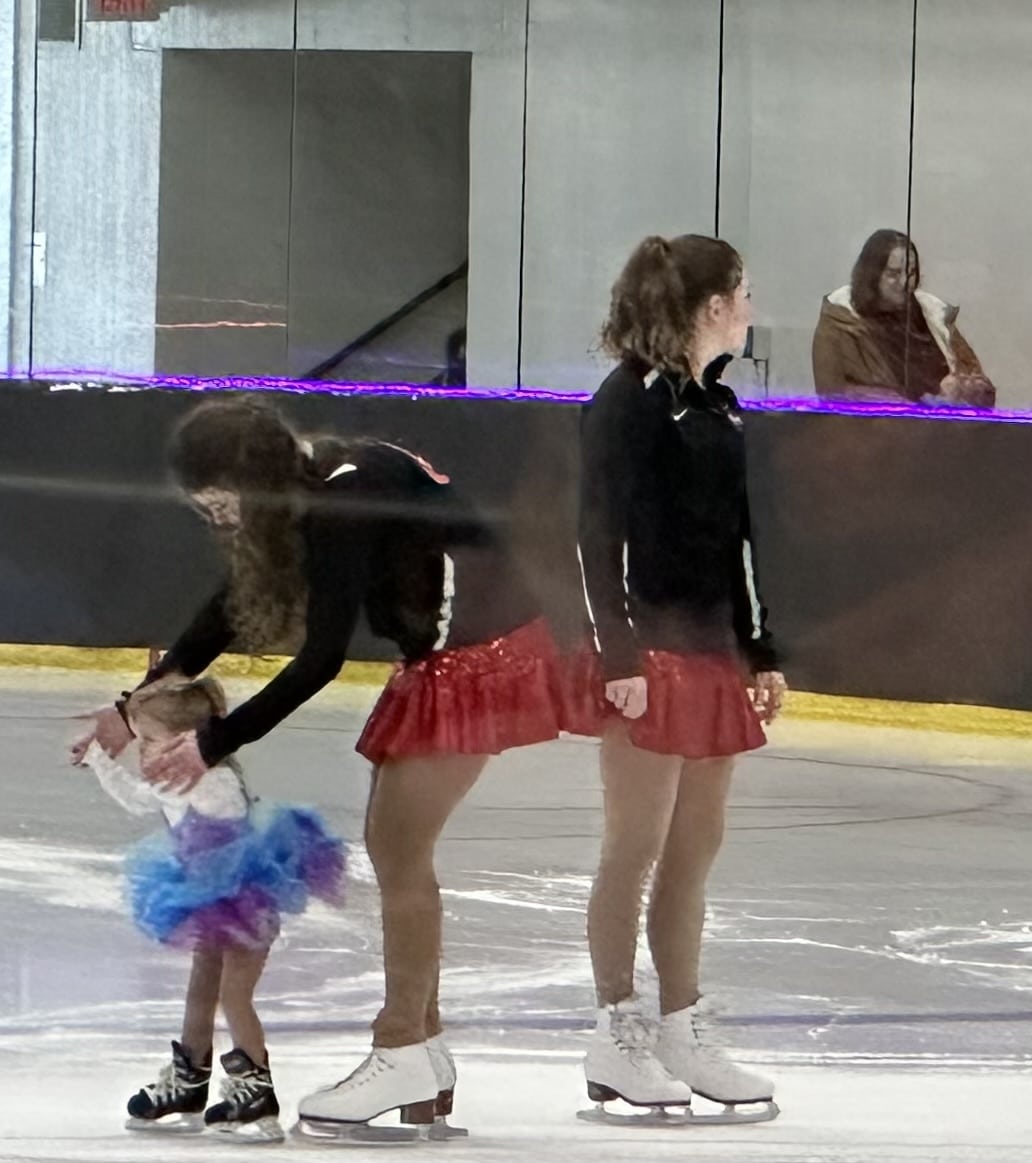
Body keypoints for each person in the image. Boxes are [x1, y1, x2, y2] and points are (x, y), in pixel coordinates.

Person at [71, 396, 565, 1139]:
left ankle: (403, 1048)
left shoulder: (339, 497)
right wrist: (131, 702)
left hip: (480, 661)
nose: (217, 520)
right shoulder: (320, 483)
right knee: (398, 850)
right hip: (456, 657)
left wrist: (210, 742)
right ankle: (423, 1055)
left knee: (399, 852)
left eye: (219, 503)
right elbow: (230, 607)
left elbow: (321, 659)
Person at [566, 234, 784, 1123]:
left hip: (710, 651)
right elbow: (595, 536)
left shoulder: (721, 407)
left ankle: (682, 1027)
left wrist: (758, 647)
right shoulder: (627, 401)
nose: (752, 306)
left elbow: (739, 540)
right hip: (647, 654)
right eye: (744, 292)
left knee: (694, 852)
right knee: (635, 846)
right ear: (712, 307)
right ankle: (615, 1030)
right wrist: (618, 658)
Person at [80, 676, 344, 1142]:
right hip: (210, 900)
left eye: (149, 740)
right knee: (202, 985)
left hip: (242, 904)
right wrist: (101, 759)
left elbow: (228, 839)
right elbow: (140, 800)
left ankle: (256, 1092)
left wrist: (104, 760)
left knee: (234, 995)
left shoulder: (211, 782)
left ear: (186, 741)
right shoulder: (183, 778)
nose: (142, 752)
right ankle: (190, 1079)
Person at [812, 229, 995, 408]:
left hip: (940, 426)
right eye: (893, 274)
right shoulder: (840, 323)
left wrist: (962, 389)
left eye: (911, 273)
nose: (904, 283)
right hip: (877, 426)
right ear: (872, 275)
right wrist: (917, 405)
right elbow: (832, 394)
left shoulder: (934, 316)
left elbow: (982, 389)